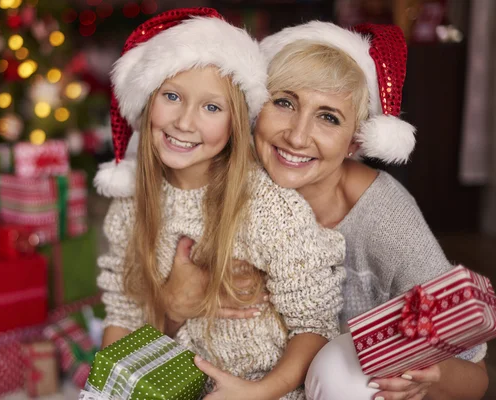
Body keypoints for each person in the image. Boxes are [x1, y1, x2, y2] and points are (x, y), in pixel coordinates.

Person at [163, 21, 489, 400]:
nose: (298, 136)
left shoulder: (384, 218)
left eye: (329, 117)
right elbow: (146, 321)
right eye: (283, 102)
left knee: (343, 369)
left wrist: (430, 375)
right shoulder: (221, 177)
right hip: (225, 378)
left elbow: (476, 378)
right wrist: (174, 304)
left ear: (355, 140)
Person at [92, 8, 345, 400]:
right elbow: (123, 316)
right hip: (168, 387)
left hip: (261, 389)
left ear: (235, 123)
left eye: (211, 107)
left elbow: (313, 325)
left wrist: (259, 391)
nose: (185, 122)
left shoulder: (267, 207)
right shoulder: (131, 204)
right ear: (147, 101)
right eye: (172, 96)